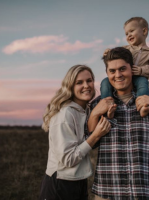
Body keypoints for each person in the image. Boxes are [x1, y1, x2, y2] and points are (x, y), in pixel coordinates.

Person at [87, 47, 149, 200]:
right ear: (107, 73)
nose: (118, 75)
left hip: (148, 192)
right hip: (108, 192)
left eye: (122, 69)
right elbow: (89, 144)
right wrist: (94, 113)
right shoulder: (98, 104)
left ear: (132, 69)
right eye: (112, 71)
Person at [39, 65, 111, 200]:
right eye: (79, 82)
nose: (86, 85)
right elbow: (68, 159)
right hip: (60, 183)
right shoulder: (65, 114)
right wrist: (95, 135)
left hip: (78, 181)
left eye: (89, 80)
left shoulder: (85, 111)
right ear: (70, 87)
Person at [101, 16, 149, 118]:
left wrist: (142, 70)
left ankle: (142, 106)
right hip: (123, 77)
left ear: (144, 31)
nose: (129, 35)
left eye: (131, 31)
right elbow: (114, 56)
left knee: (143, 83)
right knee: (105, 82)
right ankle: (107, 106)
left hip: (139, 77)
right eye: (126, 34)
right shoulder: (124, 48)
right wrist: (108, 52)